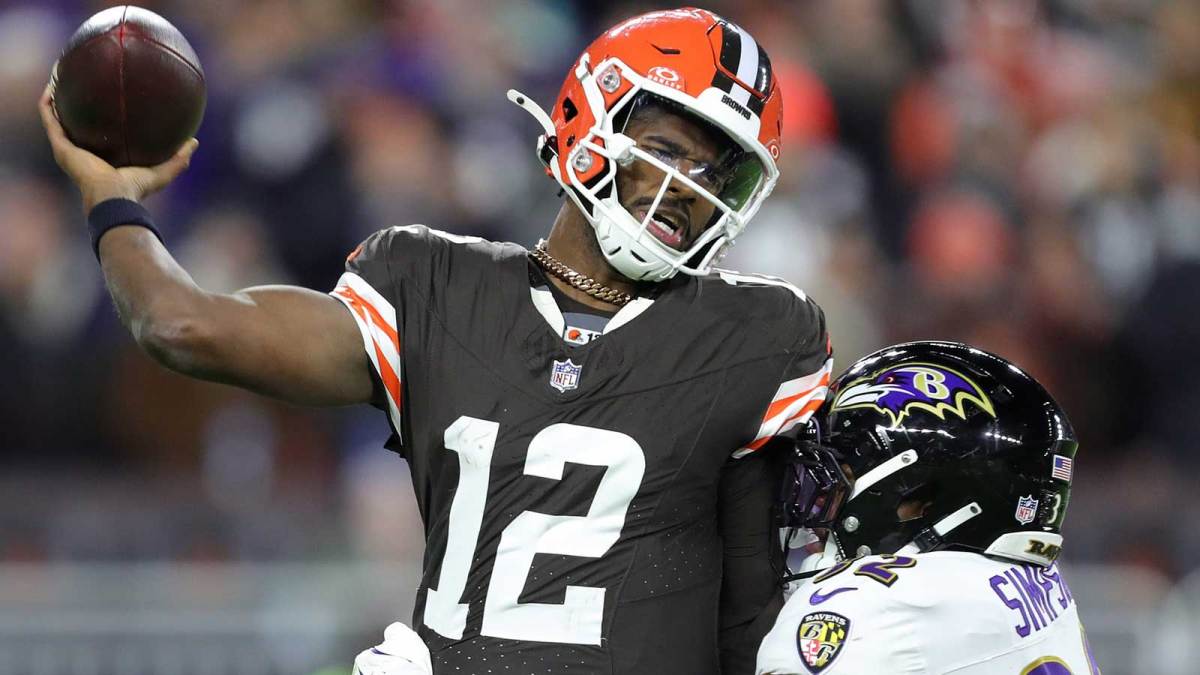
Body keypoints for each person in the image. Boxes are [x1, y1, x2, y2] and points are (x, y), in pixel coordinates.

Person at [39, 7, 832, 674]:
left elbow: (760, 620)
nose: (686, 191)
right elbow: (182, 325)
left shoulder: (759, 337)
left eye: (715, 174)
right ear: (590, 117)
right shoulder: (434, 286)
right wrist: (111, 199)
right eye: (665, 150)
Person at [756, 341, 1102, 675]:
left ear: (919, 500)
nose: (815, 509)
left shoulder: (861, 607)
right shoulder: (1040, 581)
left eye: (837, 483)